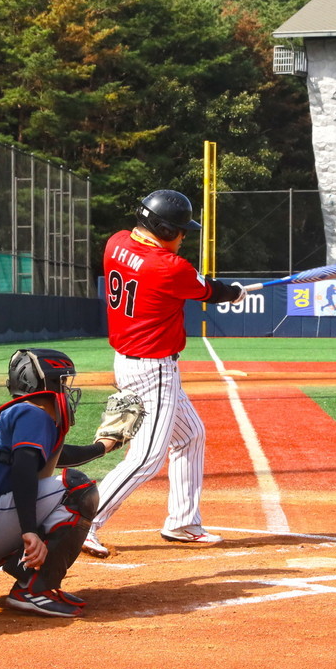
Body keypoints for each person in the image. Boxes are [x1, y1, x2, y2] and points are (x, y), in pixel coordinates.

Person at [82, 189, 245, 558]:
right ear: (163, 227)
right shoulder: (169, 267)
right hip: (152, 368)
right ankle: (83, 522)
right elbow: (209, 290)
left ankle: (183, 522)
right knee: (147, 457)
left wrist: (225, 290)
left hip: (131, 360)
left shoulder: (117, 242)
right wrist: (233, 293)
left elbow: (199, 285)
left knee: (190, 436)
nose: (184, 235)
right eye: (181, 229)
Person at [0, 349, 121, 618]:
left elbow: (56, 455)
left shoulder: (14, 416)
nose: (67, 388)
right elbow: (24, 470)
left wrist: (103, 447)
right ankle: (36, 590)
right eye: (62, 380)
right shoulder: (35, 414)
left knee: (26, 498)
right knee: (77, 489)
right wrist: (28, 531)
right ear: (45, 383)